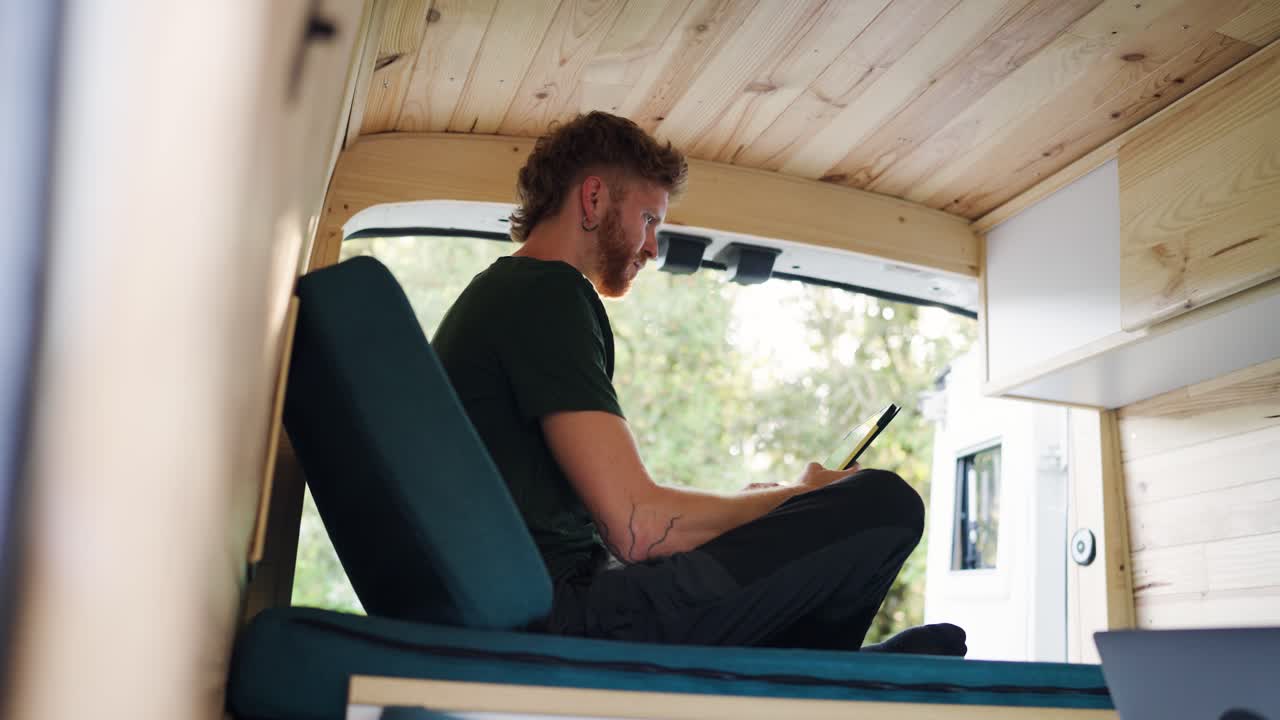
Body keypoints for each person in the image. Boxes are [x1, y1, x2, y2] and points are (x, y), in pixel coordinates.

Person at [432, 111, 966, 656]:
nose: (651, 248)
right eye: (648, 218)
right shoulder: (544, 293)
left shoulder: (505, 294)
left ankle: (820, 672)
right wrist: (796, 501)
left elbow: (623, 522)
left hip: (556, 601)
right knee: (883, 504)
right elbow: (637, 526)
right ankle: (819, 681)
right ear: (593, 200)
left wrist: (769, 509)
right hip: (565, 615)